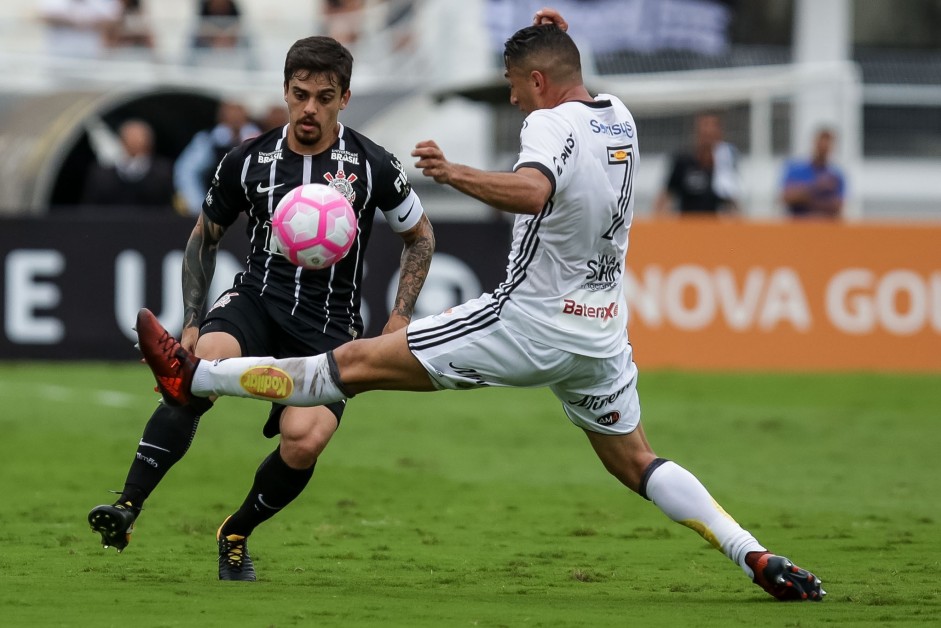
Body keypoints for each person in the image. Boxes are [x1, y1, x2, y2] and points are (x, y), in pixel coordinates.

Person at [131, 8, 825, 602]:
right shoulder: (617, 118)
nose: (515, 101)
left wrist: (451, 172)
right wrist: (555, 37)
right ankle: (751, 553)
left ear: (538, 83)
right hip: (599, 334)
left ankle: (194, 376)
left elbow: (532, 190)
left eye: (516, 88)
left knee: (347, 364)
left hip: (525, 322)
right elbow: (566, 81)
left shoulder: (546, 129)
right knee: (635, 461)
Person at [88, 35, 436, 582]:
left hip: (330, 327)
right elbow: (205, 237)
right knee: (191, 373)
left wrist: (399, 318)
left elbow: (419, 236)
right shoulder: (247, 160)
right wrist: (194, 319)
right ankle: (127, 507)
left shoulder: (371, 165)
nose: (309, 109)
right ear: (285, 91)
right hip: (255, 303)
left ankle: (237, 531)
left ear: (344, 97)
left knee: (305, 440)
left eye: (324, 97)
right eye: (300, 95)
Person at [173, 100, 261, 216]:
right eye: (231, 114)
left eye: (238, 113)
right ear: (222, 117)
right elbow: (186, 171)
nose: (235, 118)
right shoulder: (209, 140)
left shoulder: (259, 139)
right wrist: (198, 206)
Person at [653, 111, 740, 217]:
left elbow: (731, 202)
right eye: (705, 129)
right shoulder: (683, 161)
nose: (708, 133)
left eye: (712, 131)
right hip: (687, 226)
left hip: (715, 227)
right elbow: (665, 197)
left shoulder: (724, 164)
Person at [80, 119, 174, 210]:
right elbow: (90, 208)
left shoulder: (163, 172)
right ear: (121, 141)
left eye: (139, 137)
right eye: (131, 137)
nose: (135, 141)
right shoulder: (102, 174)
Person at [780, 128, 845, 220]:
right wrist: (817, 187)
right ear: (815, 143)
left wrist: (803, 198)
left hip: (824, 228)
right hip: (798, 226)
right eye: (821, 143)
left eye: (827, 144)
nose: (824, 147)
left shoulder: (836, 175)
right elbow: (786, 197)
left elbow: (837, 207)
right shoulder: (796, 169)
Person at [38, 0, 122, 59]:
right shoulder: (54, 2)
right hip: (58, 54)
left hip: (90, 54)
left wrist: (87, 22)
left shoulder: (102, 2)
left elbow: (115, 21)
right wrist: (72, 21)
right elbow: (41, 16)